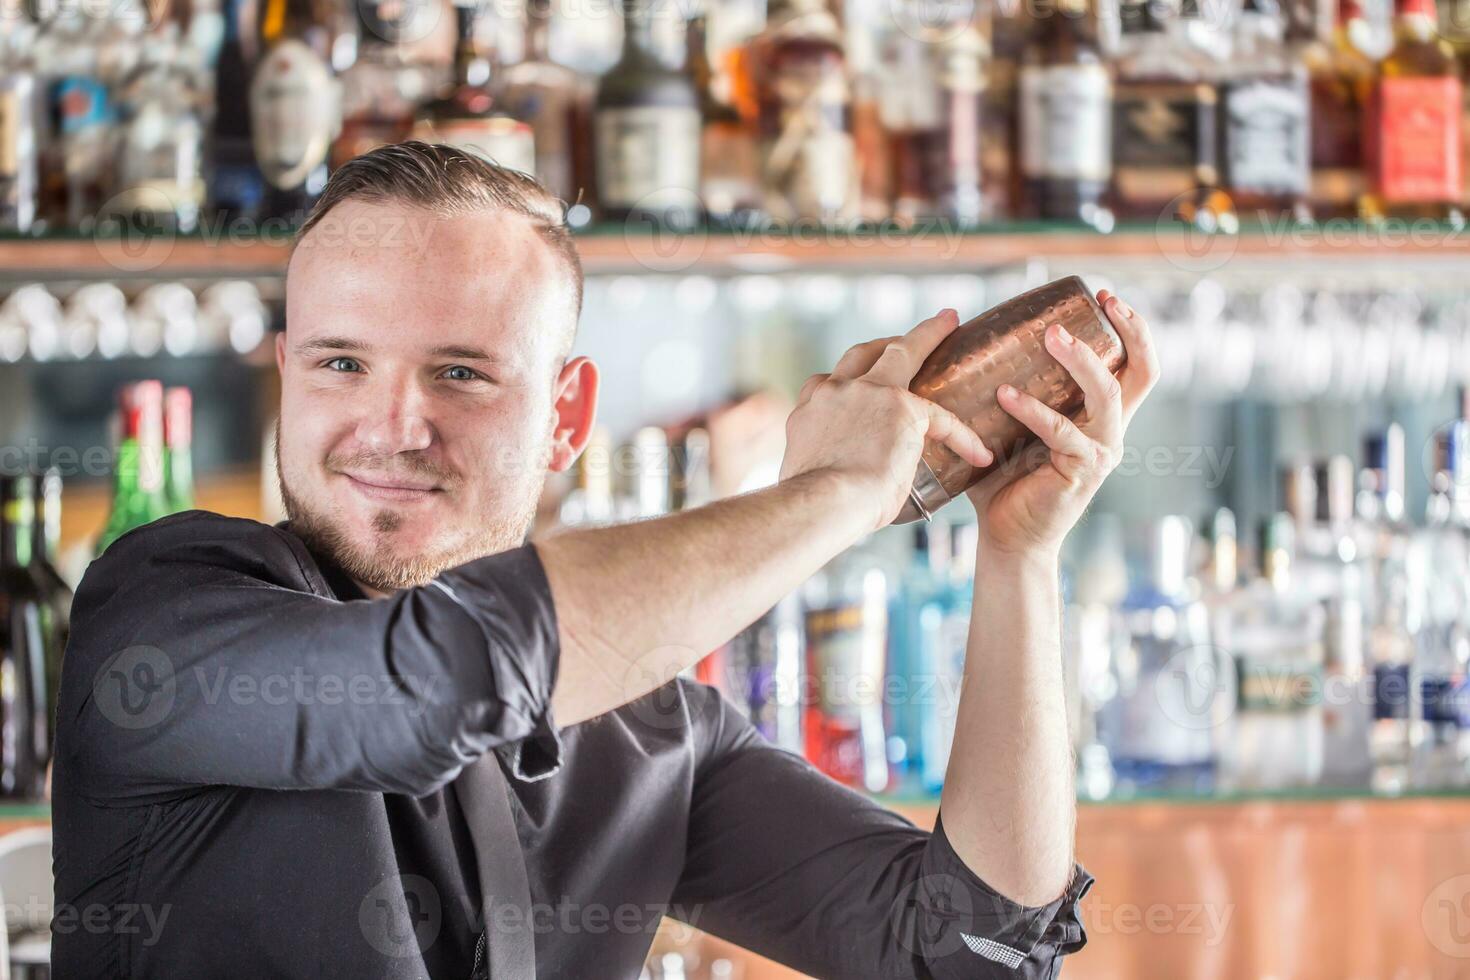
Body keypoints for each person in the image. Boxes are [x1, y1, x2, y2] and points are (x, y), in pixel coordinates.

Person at [52, 142, 1159, 979]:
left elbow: (969, 949)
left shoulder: (655, 737)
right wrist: (828, 497)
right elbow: (436, 678)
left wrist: (1020, 559)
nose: (393, 425)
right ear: (289, 372)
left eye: (463, 373)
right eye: (343, 361)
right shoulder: (166, 610)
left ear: (566, 414)